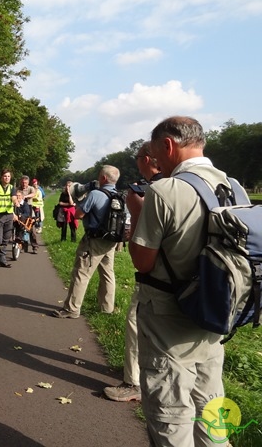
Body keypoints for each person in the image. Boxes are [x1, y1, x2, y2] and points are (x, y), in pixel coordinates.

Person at [128, 117, 242, 446]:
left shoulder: (165, 190)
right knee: (210, 408)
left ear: (168, 145)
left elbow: (142, 261)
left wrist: (138, 213)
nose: (154, 163)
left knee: (171, 414)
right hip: (216, 314)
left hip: (169, 320)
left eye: (154, 155)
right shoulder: (233, 186)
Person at [104, 142, 163, 403]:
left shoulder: (158, 191)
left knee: (136, 323)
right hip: (203, 284)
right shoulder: (216, 185)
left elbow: (141, 258)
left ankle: (134, 383)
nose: (137, 162)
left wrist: (137, 212)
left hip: (158, 281)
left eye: (138, 157)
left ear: (149, 159)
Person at [53, 165, 121, 319]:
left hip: (94, 240)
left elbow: (78, 215)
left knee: (81, 273)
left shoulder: (96, 194)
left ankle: (72, 309)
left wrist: (79, 199)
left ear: (103, 178)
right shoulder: (117, 195)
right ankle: (106, 308)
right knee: (107, 274)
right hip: (110, 240)